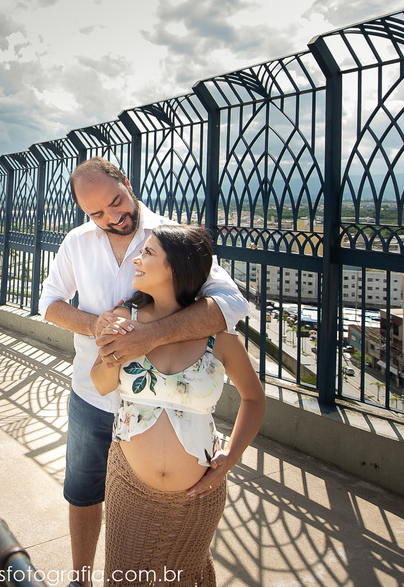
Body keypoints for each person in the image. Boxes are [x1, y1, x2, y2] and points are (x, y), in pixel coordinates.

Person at [39, 158, 249, 587]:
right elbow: (50, 303)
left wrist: (147, 338)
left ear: (127, 183)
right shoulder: (77, 242)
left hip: (158, 406)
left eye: (116, 203)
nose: (112, 218)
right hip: (92, 392)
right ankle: (80, 580)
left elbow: (231, 304)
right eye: (96, 214)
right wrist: (94, 324)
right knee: (82, 492)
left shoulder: (169, 239)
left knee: (149, 533)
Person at [90, 225, 265, 587]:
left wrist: (230, 457)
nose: (136, 259)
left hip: (196, 497)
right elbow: (101, 384)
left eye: (148, 253)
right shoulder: (126, 321)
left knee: (184, 578)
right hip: (129, 486)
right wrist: (112, 351)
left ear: (175, 269)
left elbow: (254, 397)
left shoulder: (219, 337)